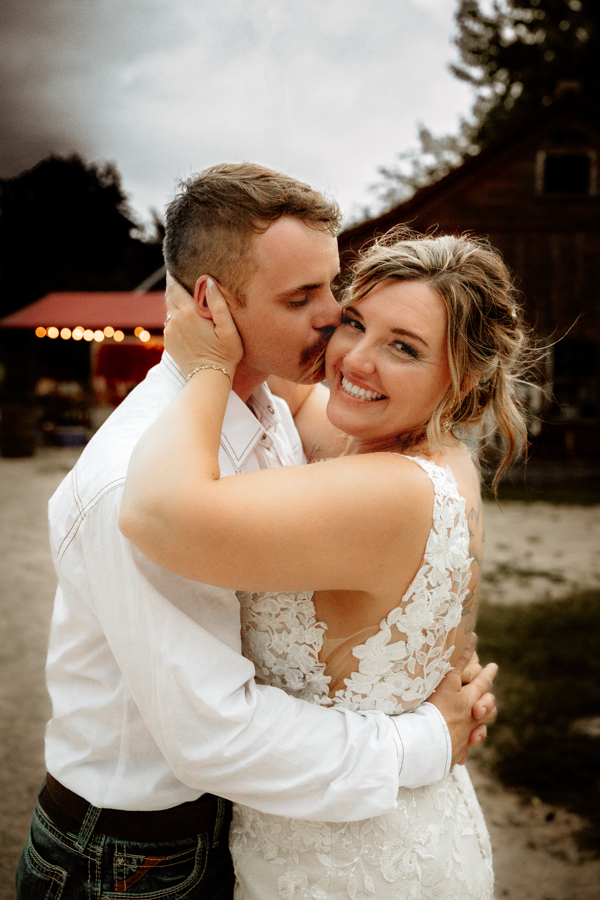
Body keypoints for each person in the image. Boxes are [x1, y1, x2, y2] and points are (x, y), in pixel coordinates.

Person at [17, 165, 496, 900]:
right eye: (302, 297)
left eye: (334, 288)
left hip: (252, 827)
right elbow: (214, 735)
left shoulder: (273, 404)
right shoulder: (132, 478)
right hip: (132, 853)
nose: (333, 318)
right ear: (210, 301)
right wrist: (426, 738)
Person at [119, 226, 526, 900]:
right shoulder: (431, 451)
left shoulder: (388, 491)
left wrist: (207, 367)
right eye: (353, 323)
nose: (354, 361)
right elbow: (305, 388)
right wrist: (218, 278)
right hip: (393, 823)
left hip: (351, 867)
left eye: (403, 347)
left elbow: (156, 515)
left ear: (464, 376)